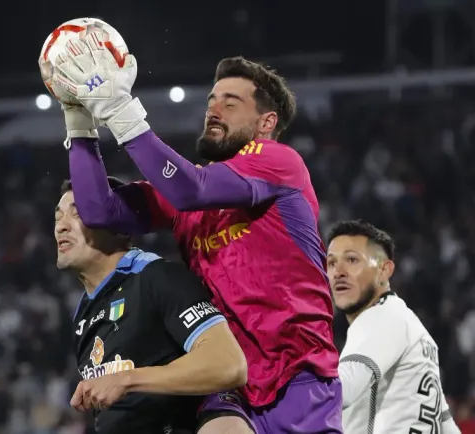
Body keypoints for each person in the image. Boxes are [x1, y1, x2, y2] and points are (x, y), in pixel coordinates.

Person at [50, 32, 341, 433]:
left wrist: (120, 109)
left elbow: (190, 190)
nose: (214, 109)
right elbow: (99, 211)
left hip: (297, 378)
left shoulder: (279, 163)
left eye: (230, 102)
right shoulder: (191, 195)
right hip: (225, 385)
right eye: (211, 101)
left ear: (266, 123)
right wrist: (78, 122)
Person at [55, 177, 248, 434]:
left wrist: (127, 379)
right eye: (57, 217)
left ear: (120, 226)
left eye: (77, 214)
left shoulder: (156, 278)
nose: (61, 227)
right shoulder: (83, 315)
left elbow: (228, 364)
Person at [325, 220, 461, 434]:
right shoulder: (412, 328)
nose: (338, 272)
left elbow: (341, 391)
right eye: (331, 263)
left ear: (384, 270)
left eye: (352, 260)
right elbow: (445, 425)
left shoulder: (381, 318)